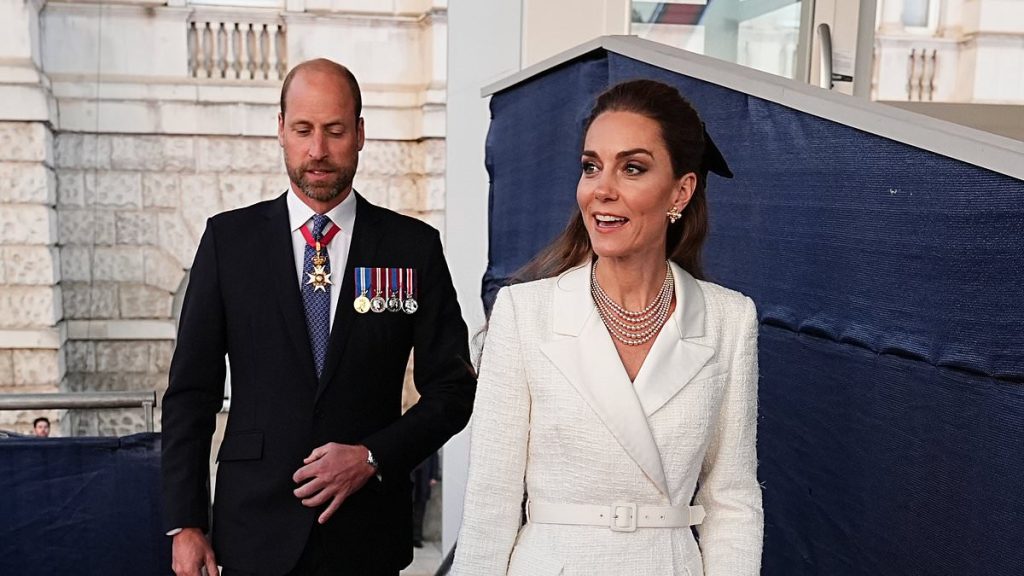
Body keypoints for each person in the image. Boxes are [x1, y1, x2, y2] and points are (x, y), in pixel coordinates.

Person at [161, 58, 476, 576]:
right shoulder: (228, 242)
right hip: (251, 533)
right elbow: (190, 393)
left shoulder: (412, 248)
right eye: (304, 130)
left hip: (366, 535)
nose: (318, 151)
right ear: (280, 130)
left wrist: (373, 456)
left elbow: (454, 391)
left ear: (360, 133)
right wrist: (186, 523)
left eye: (335, 131)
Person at [454, 79, 763, 576]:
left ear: (680, 191)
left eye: (632, 168)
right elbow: (490, 500)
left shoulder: (729, 319)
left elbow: (733, 501)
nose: (601, 190)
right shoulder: (523, 313)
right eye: (591, 166)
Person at [410, 451, 440, 548]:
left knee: (420, 508)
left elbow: (435, 458)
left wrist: (434, 476)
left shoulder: (428, 437)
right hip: (410, 476)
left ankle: (416, 537)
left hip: (424, 477)